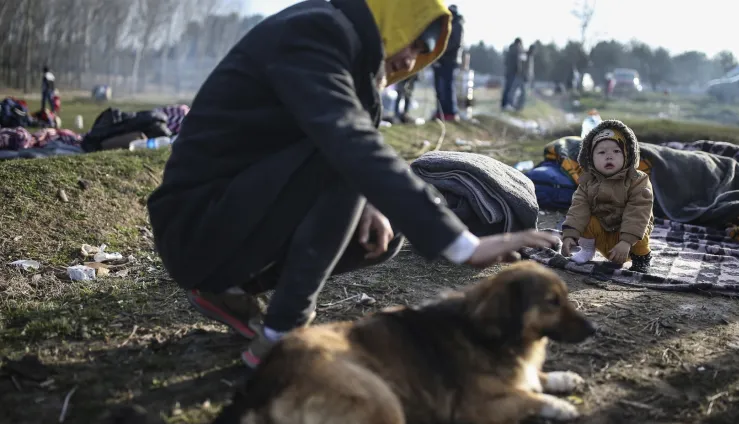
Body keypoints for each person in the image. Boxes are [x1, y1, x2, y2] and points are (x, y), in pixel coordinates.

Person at [147, 0, 560, 369]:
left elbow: (342, 143)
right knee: (347, 165)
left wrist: (368, 199)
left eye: (424, 51)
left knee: (382, 228)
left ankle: (233, 286)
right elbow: (345, 140)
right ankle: (280, 334)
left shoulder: (359, 70)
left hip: (239, 212)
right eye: (414, 40)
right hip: (195, 223)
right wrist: (464, 243)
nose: (412, 59)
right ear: (392, 15)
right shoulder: (314, 31)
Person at [560, 120, 654, 273]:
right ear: (590, 158)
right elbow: (577, 210)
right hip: (602, 233)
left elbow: (638, 211)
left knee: (640, 227)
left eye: (616, 151)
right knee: (585, 219)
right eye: (602, 152)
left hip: (630, 239)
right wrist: (569, 236)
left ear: (627, 154)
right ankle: (587, 250)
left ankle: (642, 258)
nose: (609, 157)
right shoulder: (587, 182)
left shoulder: (638, 180)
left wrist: (626, 241)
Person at [432, 4, 463, 121]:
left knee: (448, 87)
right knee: (439, 88)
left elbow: (455, 43)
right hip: (440, 60)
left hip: (450, 60)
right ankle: (440, 111)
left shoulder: (458, 25)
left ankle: (451, 112)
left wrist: (441, 49)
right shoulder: (444, 24)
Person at [501, 38, 524, 111]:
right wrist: (519, 70)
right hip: (513, 72)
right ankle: (508, 104)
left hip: (508, 71)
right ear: (519, 43)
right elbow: (518, 61)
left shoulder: (510, 49)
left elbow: (505, 61)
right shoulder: (517, 49)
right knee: (511, 89)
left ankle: (504, 104)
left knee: (507, 88)